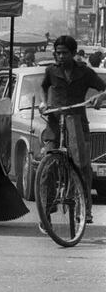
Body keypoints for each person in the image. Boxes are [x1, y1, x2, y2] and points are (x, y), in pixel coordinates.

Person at [38, 35, 106, 225]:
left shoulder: (85, 72)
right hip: (54, 123)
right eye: (58, 53)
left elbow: (104, 89)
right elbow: (43, 87)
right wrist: (44, 102)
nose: (61, 56)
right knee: (47, 168)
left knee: (82, 167)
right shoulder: (51, 71)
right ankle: (46, 211)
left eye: (65, 53)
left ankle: (85, 208)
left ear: (74, 53)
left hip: (77, 122)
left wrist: (99, 98)